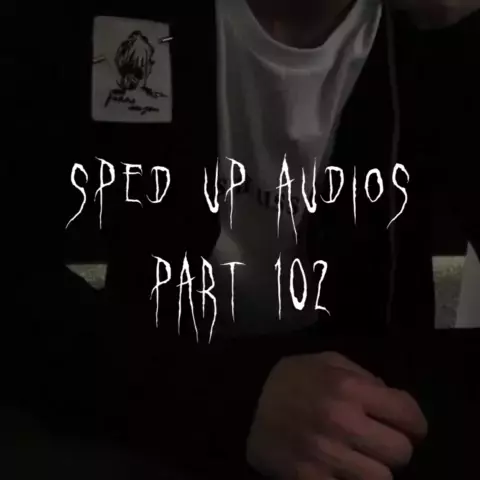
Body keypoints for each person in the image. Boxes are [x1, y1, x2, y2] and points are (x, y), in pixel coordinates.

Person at [10, 1, 479, 479]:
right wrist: (228, 398)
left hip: (364, 417)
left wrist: (461, 33)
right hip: (154, 397)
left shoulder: (425, 34)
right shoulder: (98, 21)